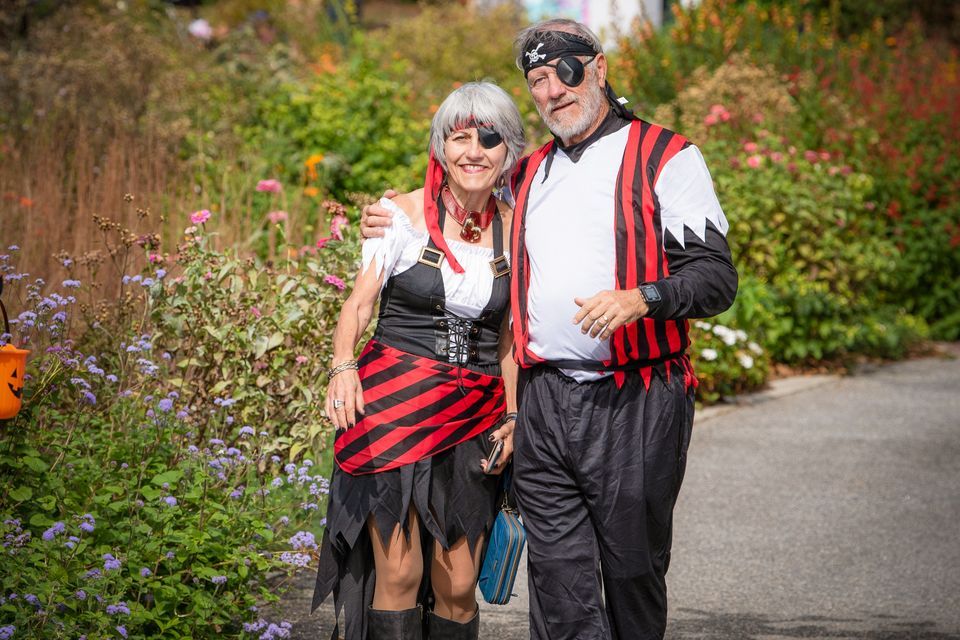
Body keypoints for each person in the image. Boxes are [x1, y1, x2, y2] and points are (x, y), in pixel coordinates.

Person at [362, 18, 738, 640]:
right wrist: (390, 213)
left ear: (599, 68)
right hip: (544, 403)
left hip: (637, 400)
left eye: (565, 71)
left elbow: (716, 278)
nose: (553, 90)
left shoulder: (667, 157)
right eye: (537, 79)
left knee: (632, 572)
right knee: (558, 583)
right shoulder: (527, 171)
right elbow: (461, 189)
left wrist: (643, 298)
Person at [312, 81, 526, 640]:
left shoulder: (517, 228)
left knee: (459, 583)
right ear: (440, 146)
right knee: (400, 573)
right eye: (460, 138)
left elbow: (509, 336)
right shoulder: (399, 215)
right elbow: (360, 302)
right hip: (393, 407)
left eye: (490, 139)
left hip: (475, 415)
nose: (474, 152)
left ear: (509, 151)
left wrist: (513, 416)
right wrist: (342, 365)